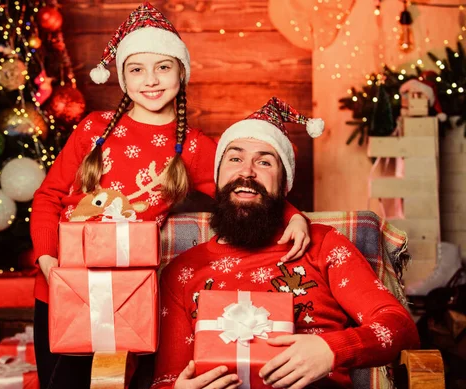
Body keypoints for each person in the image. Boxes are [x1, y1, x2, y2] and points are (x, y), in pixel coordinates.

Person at [30, 4, 312, 388]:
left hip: (128, 297)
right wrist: (49, 263)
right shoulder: (93, 128)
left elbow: (242, 187)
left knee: (112, 382)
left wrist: (292, 214)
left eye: (163, 67)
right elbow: (48, 197)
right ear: (122, 77)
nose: (151, 80)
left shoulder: (193, 147)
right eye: (137, 68)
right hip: (62, 288)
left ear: (182, 72)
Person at [151, 97, 420, 389]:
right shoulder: (182, 272)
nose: (247, 171)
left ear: (284, 184)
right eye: (235, 158)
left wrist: (331, 349)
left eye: (264, 161)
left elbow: (399, 326)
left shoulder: (323, 245)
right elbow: (165, 380)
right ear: (217, 178)